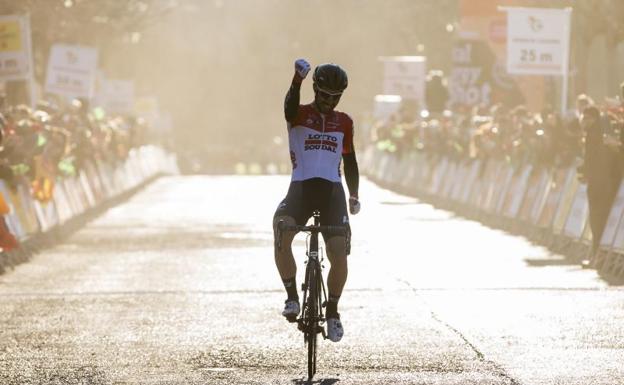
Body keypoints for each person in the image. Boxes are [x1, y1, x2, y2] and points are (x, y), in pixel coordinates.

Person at [273, 59, 360, 342]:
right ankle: (291, 297)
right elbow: (288, 107)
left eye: (336, 98)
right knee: (282, 230)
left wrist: (355, 194)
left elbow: (350, 161)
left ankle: (333, 311)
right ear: (315, 90)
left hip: (332, 193)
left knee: (339, 254)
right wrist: (296, 79)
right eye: (324, 95)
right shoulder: (298, 114)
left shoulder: (344, 122)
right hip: (301, 190)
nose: (329, 102)